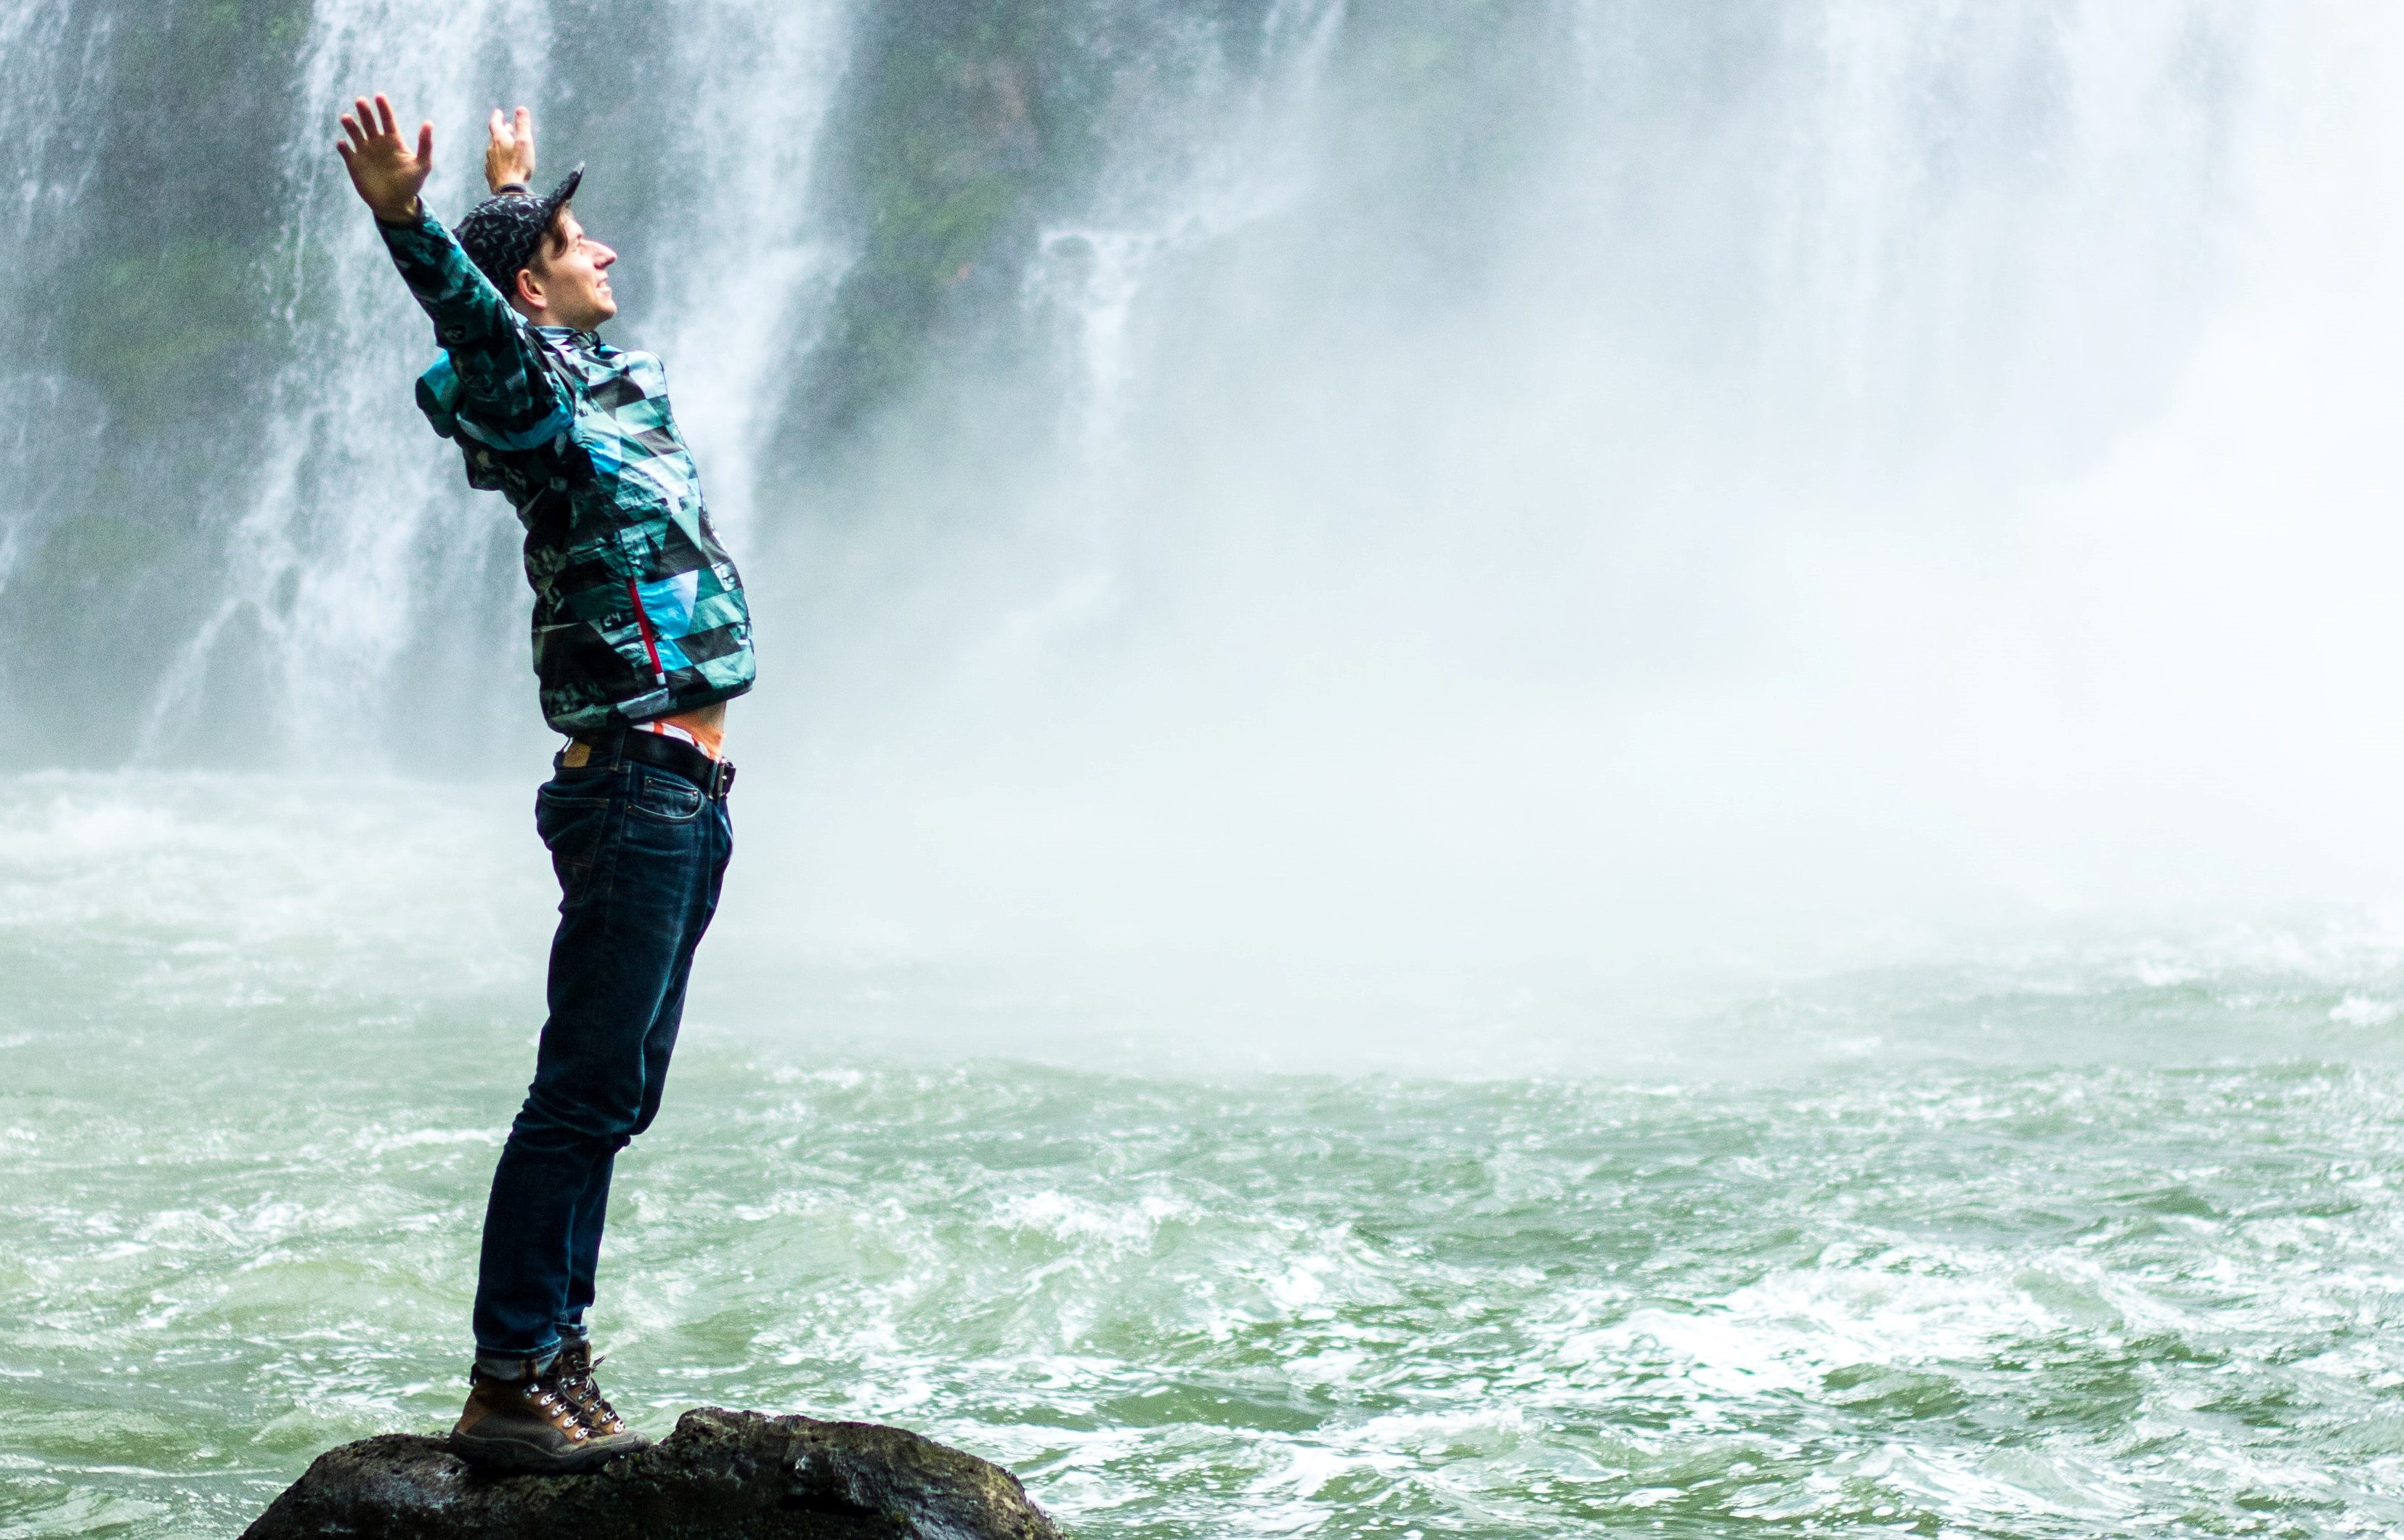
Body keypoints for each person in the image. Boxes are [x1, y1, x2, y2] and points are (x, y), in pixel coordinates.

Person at [335, 94, 756, 1472]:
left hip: (686, 793)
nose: (610, 250)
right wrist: (414, 224)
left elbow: (532, 330)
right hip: (633, 785)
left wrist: (516, 202)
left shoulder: (607, 386)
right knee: (578, 1096)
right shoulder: (535, 411)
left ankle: (555, 1355)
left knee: (615, 1096)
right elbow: (479, 343)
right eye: (581, 244)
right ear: (529, 291)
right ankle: (510, 1373)